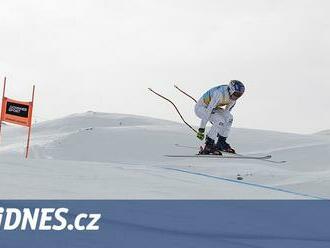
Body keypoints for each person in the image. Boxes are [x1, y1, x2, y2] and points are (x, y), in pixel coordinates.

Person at [194, 80, 245, 155]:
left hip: (213, 108)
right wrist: (201, 129)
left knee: (229, 118)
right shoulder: (219, 93)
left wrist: (220, 128)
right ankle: (208, 144)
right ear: (231, 90)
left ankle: (221, 143)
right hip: (201, 108)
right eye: (236, 94)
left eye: (239, 95)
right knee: (219, 120)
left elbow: (226, 114)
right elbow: (208, 111)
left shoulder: (233, 99)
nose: (236, 97)